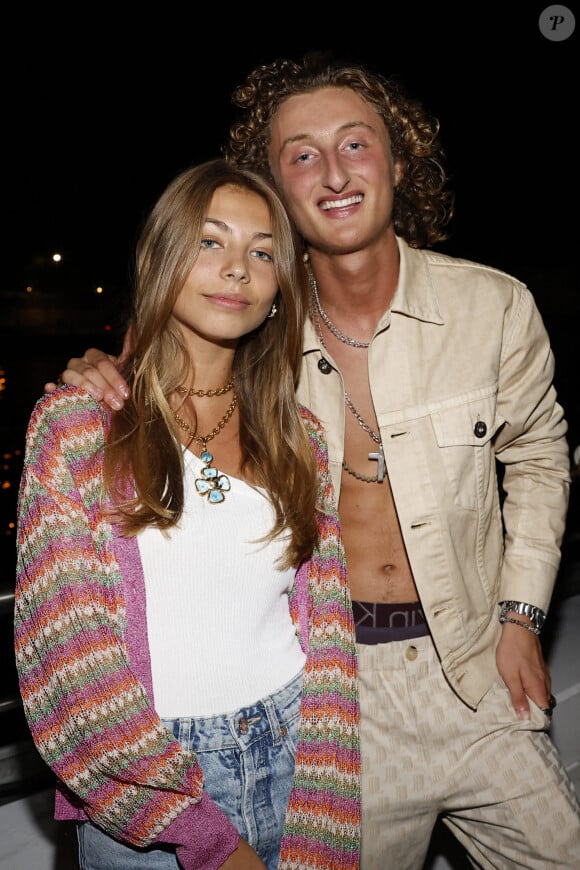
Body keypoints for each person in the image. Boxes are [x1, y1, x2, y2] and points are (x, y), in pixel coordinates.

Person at [49, 52, 580, 868]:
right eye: (301, 154)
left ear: (399, 162)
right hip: (333, 702)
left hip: (476, 671)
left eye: (355, 144)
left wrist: (523, 617)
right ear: (276, 186)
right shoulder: (247, 320)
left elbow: (540, 456)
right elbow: (147, 389)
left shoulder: (495, 306)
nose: (332, 171)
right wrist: (98, 371)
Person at [15, 158, 361, 870]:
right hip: (144, 785)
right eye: (210, 241)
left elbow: (326, 636)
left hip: (299, 756)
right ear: (163, 256)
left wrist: (328, 802)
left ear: (277, 291)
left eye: (262, 252)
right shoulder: (79, 427)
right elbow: (69, 658)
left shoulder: (303, 440)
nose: (237, 268)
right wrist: (201, 832)